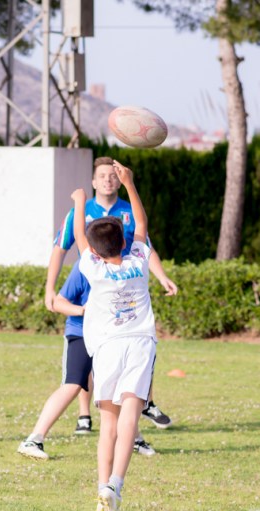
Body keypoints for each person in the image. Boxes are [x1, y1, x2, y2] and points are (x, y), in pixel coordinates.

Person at [44, 156, 175, 433]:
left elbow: (144, 243)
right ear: (94, 181)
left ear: (119, 179)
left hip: (121, 294)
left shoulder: (126, 210)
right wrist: (49, 288)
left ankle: (136, 412)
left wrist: (162, 276)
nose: (107, 179)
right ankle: (88, 414)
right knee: (96, 352)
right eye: (102, 175)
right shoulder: (84, 214)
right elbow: (61, 247)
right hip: (93, 293)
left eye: (113, 175)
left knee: (117, 355)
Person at [71, 160, 155, 511]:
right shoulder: (138, 259)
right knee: (130, 420)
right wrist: (130, 185)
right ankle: (115, 487)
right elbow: (141, 225)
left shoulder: (95, 268)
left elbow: (78, 238)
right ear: (123, 242)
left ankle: (101, 490)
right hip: (139, 344)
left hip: (106, 348)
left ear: (97, 250)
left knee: (108, 423)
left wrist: (78, 202)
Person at [16, 264, 156, 460]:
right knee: (72, 385)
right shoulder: (85, 266)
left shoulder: (126, 266)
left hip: (111, 338)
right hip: (80, 334)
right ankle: (34, 439)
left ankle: (133, 438)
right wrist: (84, 310)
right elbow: (58, 302)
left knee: (119, 389)